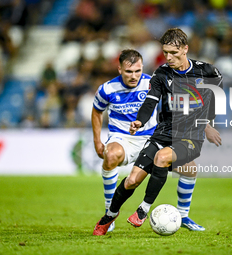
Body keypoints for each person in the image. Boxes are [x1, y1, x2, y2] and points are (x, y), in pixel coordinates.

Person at [93, 43, 222, 235]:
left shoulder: (155, 81)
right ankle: (109, 213)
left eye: (137, 71)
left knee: (190, 168)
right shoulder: (107, 89)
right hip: (123, 138)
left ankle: (182, 215)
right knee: (120, 167)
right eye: (128, 71)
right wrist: (97, 141)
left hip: (153, 136)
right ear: (119, 69)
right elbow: (97, 111)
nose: (133, 76)